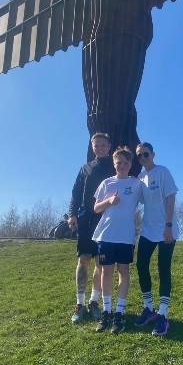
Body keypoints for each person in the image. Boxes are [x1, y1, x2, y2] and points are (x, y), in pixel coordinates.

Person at [91, 147, 143, 333]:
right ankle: (107, 312)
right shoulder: (107, 183)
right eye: (118, 162)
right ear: (114, 164)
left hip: (126, 237)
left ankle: (119, 314)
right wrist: (109, 201)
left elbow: (151, 196)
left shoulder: (136, 184)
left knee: (123, 272)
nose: (122, 165)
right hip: (106, 235)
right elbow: (96, 208)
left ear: (131, 164)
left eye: (126, 162)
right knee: (106, 273)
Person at [69, 133, 115, 324]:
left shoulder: (115, 168)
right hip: (86, 218)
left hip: (106, 219)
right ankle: (79, 304)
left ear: (109, 146)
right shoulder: (85, 168)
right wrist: (72, 214)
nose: (100, 148)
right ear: (92, 147)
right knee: (84, 260)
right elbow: (75, 194)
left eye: (103, 145)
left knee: (100, 263)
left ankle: (94, 302)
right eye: (96, 146)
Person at [133, 142, 178, 336]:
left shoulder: (163, 172)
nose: (143, 158)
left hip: (166, 230)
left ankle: (163, 315)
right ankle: (148, 308)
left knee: (163, 268)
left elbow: (171, 198)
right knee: (141, 265)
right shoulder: (140, 178)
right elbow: (135, 200)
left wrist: (168, 226)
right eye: (139, 156)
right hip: (147, 231)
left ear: (153, 154)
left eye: (146, 154)